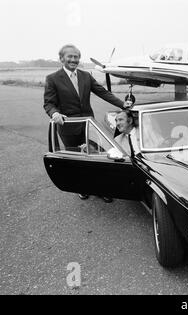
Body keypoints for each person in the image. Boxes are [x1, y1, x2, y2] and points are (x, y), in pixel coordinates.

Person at [43, 44, 131, 202]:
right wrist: (54, 113)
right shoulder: (52, 78)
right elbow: (48, 103)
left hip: (90, 126)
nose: (73, 60)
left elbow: (102, 92)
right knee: (77, 160)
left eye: (76, 57)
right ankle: (82, 188)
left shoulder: (86, 75)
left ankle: (103, 189)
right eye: (69, 56)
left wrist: (122, 104)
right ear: (61, 58)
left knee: (99, 157)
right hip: (67, 127)